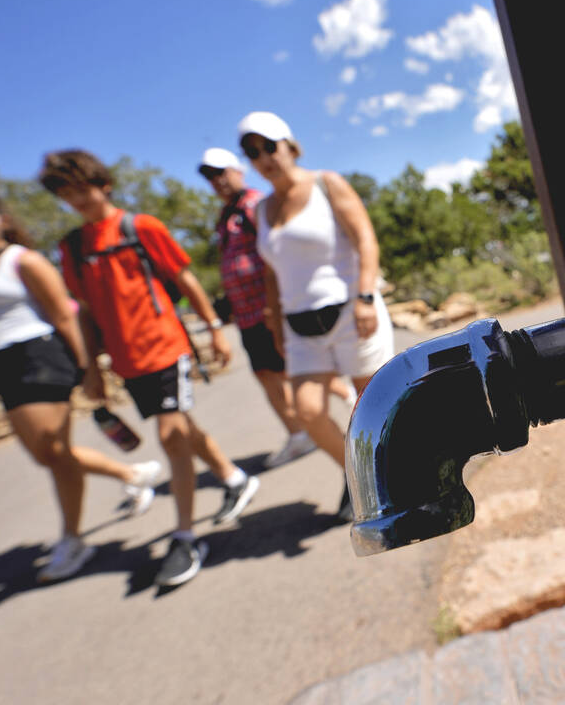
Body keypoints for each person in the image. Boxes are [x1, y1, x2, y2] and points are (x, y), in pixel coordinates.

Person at [38, 151, 258, 587]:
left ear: (103, 184)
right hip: (125, 362)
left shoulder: (141, 228)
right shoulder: (73, 248)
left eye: (81, 187)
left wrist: (214, 328)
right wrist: (92, 368)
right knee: (180, 427)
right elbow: (84, 312)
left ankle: (185, 536)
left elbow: (185, 280)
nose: (76, 198)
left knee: (170, 436)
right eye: (66, 192)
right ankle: (235, 479)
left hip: (165, 347)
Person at [0, 188, 161, 584]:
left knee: (54, 453)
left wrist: (88, 370)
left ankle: (72, 540)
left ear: (1, 219)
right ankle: (132, 475)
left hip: (41, 355)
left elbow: (64, 316)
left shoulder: (26, 262)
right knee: (48, 454)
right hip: (2, 365)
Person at [237, 112, 395, 521]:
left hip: (348, 312)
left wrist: (364, 295)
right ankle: (360, 474)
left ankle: (395, 475)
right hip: (299, 326)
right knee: (307, 411)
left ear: (290, 145)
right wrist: (273, 317)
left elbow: (364, 238)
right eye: (252, 152)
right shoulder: (261, 210)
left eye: (269, 146)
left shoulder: (327, 184)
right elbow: (272, 270)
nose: (264, 158)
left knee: (372, 404)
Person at [197, 148, 353, 468]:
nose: (218, 182)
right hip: (247, 313)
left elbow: (276, 257)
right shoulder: (226, 216)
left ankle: (341, 410)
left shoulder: (257, 206)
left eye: (221, 173)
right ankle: (302, 432)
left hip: (270, 309)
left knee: (294, 374)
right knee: (269, 374)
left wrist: (275, 307)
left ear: (238, 170)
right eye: (211, 177)